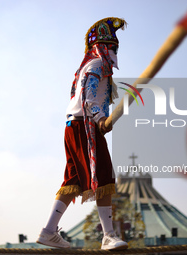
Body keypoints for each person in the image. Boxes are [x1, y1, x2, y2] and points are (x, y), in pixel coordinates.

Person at [36, 17, 128, 251]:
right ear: (102, 47)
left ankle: (48, 231)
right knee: (105, 176)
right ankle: (108, 236)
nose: (114, 51)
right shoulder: (97, 65)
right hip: (84, 126)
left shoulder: (87, 66)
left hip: (73, 126)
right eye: (111, 47)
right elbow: (88, 99)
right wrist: (100, 120)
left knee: (73, 181)